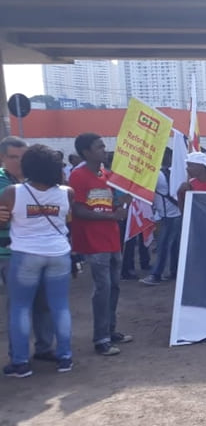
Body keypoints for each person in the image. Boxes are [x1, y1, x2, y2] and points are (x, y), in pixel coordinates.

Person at [0, 145, 75, 376]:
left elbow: (2, 224)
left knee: (21, 308)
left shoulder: (12, 192)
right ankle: (65, 358)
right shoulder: (67, 192)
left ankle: (20, 363)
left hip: (25, 255)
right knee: (60, 306)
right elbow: (68, 220)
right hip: (59, 254)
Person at [68, 133, 135, 356]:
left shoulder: (107, 175)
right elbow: (77, 209)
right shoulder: (78, 177)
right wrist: (111, 217)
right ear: (86, 152)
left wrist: (122, 204)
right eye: (99, 147)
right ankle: (101, 338)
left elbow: (110, 203)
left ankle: (110, 329)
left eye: (103, 146)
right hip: (94, 241)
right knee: (102, 288)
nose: (104, 150)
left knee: (114, 286)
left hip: (112, 238)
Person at [0, 137, 56, 364]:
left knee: (44, 303)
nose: (20, 162)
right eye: (14, 157)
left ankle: (44, 347)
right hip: (11, 255)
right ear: (2, 157)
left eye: (24, 157)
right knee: (19, 307)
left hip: (41, 252)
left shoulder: (39, 182)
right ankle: (18, 357)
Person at [140, 149, 183, 286]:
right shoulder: (176, 173)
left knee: (163, 245)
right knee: (174, 246)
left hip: (167, 215)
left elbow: (142, 185)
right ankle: (174, 272)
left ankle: (156, 274)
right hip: (178, 213)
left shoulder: (157, 175)